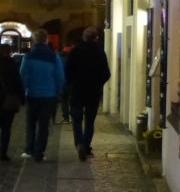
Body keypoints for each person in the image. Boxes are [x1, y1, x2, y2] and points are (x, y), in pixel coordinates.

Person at [65, 27, 111, 161]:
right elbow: (106, 73)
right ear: (96, 38)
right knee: (90, 121)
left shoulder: (75, 51)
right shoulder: (99, 52)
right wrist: (98, 84)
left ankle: (79, 143)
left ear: (83, 37)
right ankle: (86, 147)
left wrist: (72, 83)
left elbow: (67, 71)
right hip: (93, 92)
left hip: (77, 91)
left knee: (76, 119)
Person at [19, 28, 65, 163]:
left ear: (34, 40)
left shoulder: (28, 56)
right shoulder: (54, 56)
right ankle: (39, 153)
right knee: (44, 125)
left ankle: (29, 149)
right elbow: (60, 77)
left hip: (32, 94)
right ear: (46, 39)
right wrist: (57, 92)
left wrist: (23, 91)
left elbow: (23, 76)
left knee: (31, 123)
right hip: (49, 94)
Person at [0, 43, 24, 161]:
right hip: (9, 99)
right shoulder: (12, 64)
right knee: (6, 128)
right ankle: (3, 153)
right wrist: (22, 98)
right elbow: (18, 82)